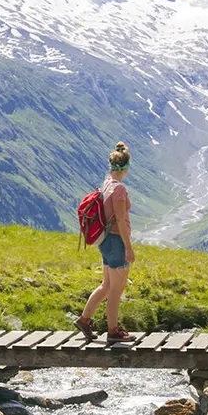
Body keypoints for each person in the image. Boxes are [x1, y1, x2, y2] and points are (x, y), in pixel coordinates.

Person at [78, 143, 136, 344]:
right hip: (116, 241)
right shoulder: (119, 189)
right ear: (126, 168)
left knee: (107, 285)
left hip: (104, 241)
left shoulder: (106, 183)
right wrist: (128, 247)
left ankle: (84, 320)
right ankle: (113, 331)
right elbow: (120, 219)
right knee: (115, 290)